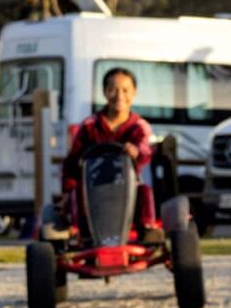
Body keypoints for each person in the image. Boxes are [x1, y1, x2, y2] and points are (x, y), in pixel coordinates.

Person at [55, 67, 159, 242]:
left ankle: (146, 230)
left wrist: (135, 151)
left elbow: (145, 150)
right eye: (113, 89)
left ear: (134, 93)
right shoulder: (89, 126)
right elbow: (72, 162)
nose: (119, 95)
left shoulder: (139, 127)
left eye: (125, 90)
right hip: (93, 187)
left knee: (144, 191)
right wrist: (67, 191)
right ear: (105, 92)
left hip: (127, 187)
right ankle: (85, 234)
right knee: (77, 192)